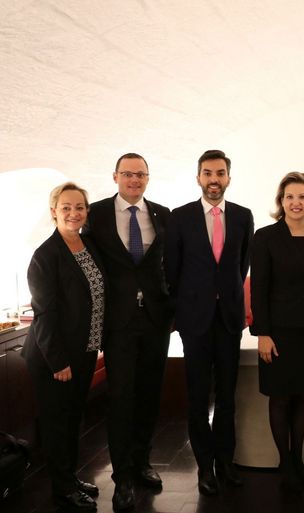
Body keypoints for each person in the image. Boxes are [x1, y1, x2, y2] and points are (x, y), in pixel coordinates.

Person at [85, 153, 174, 511]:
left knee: (149, 395)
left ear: (148, 178)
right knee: (121, 398)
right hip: (117, 321)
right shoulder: (95, 214)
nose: (134, 180)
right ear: (115, 177)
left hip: (155, 319)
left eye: (140, 174)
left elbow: (172, 264)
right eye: (128, 174)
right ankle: (122, 476)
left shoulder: (164, 214)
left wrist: (172, 305)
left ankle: (142, 462)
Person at [165, 149, 254, 496]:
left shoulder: (243, 216)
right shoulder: (180, 217)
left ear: (228, 177)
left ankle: (226, 463)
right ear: (198, 177)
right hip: (195, 321)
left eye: (220, 173)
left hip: (229, 319)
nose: (214, 180)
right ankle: (204, 467)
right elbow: (172, 270)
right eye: (208, 173)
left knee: (228, 397)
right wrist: (181, 313)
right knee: (198, 397)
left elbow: (241, 265)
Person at [249, 172, 304, 492]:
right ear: (281, 201)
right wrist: (263, 333)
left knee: (303, 396)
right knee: (280, 397)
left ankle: (298, 458)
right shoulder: (265, 237)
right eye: (289, 197)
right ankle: (284, 462)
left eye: (302, 197)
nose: (295, 202)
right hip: (278, 332)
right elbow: (259, 288)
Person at [22, 182, 105, 511]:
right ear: (53, 211)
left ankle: (70, 477)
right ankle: (63, 489)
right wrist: (58, 362)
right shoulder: (45, 255)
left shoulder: (88, 245)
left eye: (79, 207)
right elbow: (45, 314)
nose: (74, 213)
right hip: (54, 358)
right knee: (58, 424)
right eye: (66, 207)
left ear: (87, 211)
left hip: (84, 350)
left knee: (73, 420)